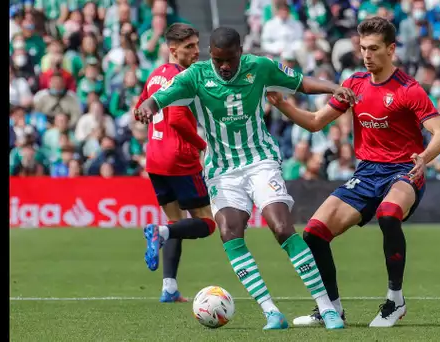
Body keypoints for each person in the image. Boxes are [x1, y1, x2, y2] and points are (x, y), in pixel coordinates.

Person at [134, 26, 356, 330]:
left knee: (281, 227)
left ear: (241, 53)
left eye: (230, 60)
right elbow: (161, 96)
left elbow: (301, 82)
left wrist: (333, 88)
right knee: (229, 232)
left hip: (260, 161)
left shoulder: (260, 67)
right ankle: (271, 312)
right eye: (218, 60)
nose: (224, 67)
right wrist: (147, 105)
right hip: (222, 170)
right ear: (210, 55)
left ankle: (326, 307)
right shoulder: (196, 75)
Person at [266, 17, 440, 328]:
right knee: (313, 233)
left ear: (391, 49)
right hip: (366, 174)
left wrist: (425, 157)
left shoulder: (409, 89)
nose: (367, 54)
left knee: (389, 213)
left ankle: (395, 300)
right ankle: (332, 309)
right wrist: (282, 104)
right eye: (363, 48)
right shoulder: (353, 84)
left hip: (404, 170)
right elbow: (315, 122)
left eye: (374, 48)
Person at [134, 23, 217, 303]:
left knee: (175, 221)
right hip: (179, 159)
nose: (196, 52)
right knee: (207, 223)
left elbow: (140, 107)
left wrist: (146, 119)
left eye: (196, 45)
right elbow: (177, 119)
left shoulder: (156, 75)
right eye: (189, 47)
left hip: (155, 158)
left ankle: (169, 288)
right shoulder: (180, 79)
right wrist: (204, 147)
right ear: (173, 50)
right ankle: (159, 232)